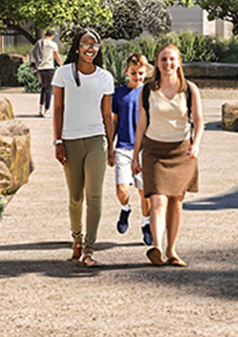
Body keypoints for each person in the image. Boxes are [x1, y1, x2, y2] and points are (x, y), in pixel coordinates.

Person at [132, 43, 202, 267]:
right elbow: (141, 125)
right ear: (157, 62)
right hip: (154, 150)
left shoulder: (189, 89)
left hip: (181, 151)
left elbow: (199, 121)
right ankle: (158, 248)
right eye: (163, 59)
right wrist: (135, 156)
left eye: (172, 59)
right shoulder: (148, 90)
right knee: (158, 199)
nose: (168, 63)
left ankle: (172, 251)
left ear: (179, 62)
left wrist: (196, 144)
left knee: (176, 202)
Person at [52, 27, 116, 266]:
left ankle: (89, 249)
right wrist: (58, 141)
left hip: (96, 139)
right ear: (77, 48)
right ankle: (76, 240)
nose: (90, 48)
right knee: (76, 197)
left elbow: (107, 115)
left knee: (95, 196)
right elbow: (58, 109)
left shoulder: (105, 77)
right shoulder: (63, 74)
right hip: (69, 141)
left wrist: (110, 147)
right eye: (86, 43)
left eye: (95, 44)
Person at [110, 53, 153, 245]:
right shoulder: (117, 93)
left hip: (144, 149)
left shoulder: (150, 93)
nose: (138, 77)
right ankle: (125, 209)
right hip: (123, 148)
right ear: (127, 71)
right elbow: (114, 121)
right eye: (134, 73)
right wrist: (109, 147)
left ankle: (146, 224)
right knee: (122, 189)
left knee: (144, 192)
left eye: (141, 74)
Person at [28, 29, 60, 117]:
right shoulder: (53, 44)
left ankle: (41, 109)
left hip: (41, 68)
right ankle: (47, 110)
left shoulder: (39, 43)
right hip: (49, 68)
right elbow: (57, 57)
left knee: (43, 88)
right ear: (52, 36)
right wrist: (62, 65)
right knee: (49, 88)